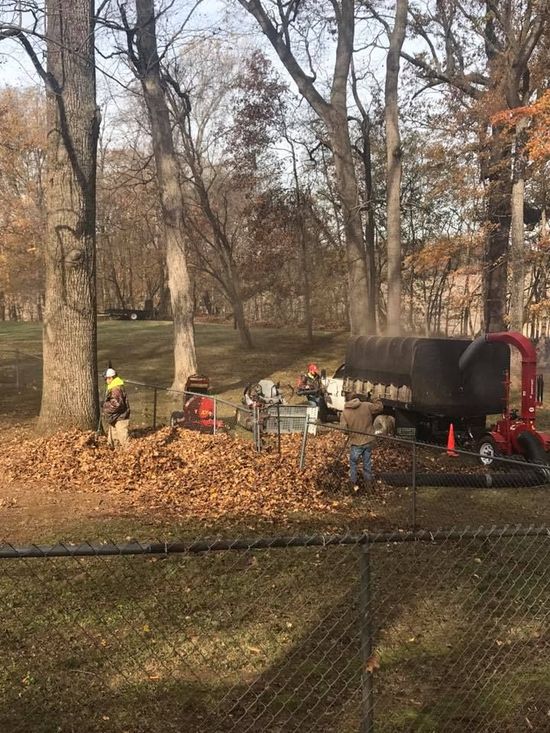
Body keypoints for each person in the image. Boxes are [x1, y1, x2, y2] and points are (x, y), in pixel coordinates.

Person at [340, 392, 383, 492]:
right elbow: (379, 407)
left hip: (356, 442)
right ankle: (369, 486)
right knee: (367, 463)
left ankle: (353, 485)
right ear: (357, 398)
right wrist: (375, 397)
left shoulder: (345, 412)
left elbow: (344, 430)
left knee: (353, 463)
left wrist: (349, 433)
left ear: (347, 400)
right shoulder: (366, 406)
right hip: (368, 440)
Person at [102, 367, 131, 449]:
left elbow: (116, 405)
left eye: (106, 379)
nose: (106, 381)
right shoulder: (113, 386)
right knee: (114, 440)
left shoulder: (116, 389)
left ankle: (131, 455)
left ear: (111, 378)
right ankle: (118, 455)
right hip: (115, 417)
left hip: (120, 418)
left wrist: (104, 405)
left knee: (123, 439)